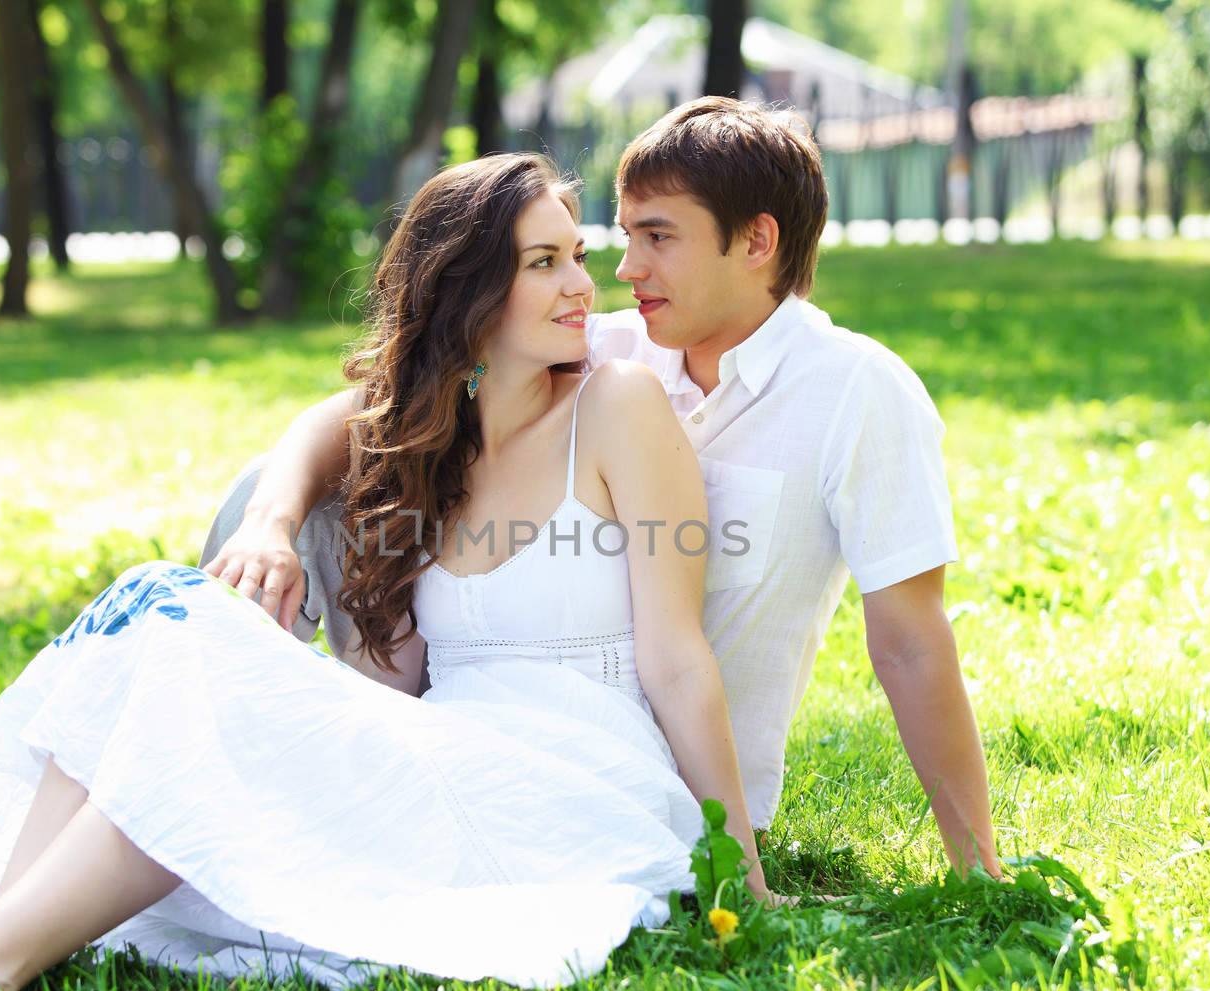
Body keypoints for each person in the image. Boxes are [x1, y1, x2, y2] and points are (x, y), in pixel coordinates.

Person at [0, 153, 771, 991]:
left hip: (566, 783)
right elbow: (327, 426)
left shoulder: (616, 406)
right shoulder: (436, 439)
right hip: (442, 753)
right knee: (159, 603)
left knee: (208, 687)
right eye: (545, 262)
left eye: (575, 254)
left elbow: (676, 658)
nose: (583, 282)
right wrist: (269, 521)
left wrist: (744, 873)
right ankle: (5, 947)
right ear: (466, 291)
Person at [205, 97, 1001, 877]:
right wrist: (270, 521)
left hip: (661, 770)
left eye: (659, 237)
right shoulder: (606, 346)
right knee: (282, 487)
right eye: (621, 239)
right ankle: (233, 737)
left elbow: (908, 641)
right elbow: (368, 411)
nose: (625, 270)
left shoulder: (857, 392)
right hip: (481, 714)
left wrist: (981, 870)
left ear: (757, 240)